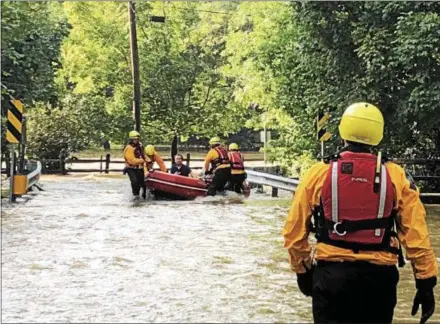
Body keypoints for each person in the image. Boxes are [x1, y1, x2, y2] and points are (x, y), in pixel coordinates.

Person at [282, 102, 437, 324]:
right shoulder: (396, 176)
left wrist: (303, 271)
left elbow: (294, 233)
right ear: (378, 134)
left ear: (344, 131)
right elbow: (416, 235)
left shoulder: (318, 173)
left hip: (331, 278)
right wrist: (425, 281)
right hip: (379, 281)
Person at [123, 131, 146, 200]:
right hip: (130, 168)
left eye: (137, 139)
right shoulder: (128, 148)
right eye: (135, 139)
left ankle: (144, 196)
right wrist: (142, 160)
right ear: (131, 139)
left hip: (139, 168)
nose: (136, 140)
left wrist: (148, 161)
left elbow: (143, 155)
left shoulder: (140, 146)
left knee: (143, 184)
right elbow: (132, 160)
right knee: (135, 181)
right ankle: (135, 196)